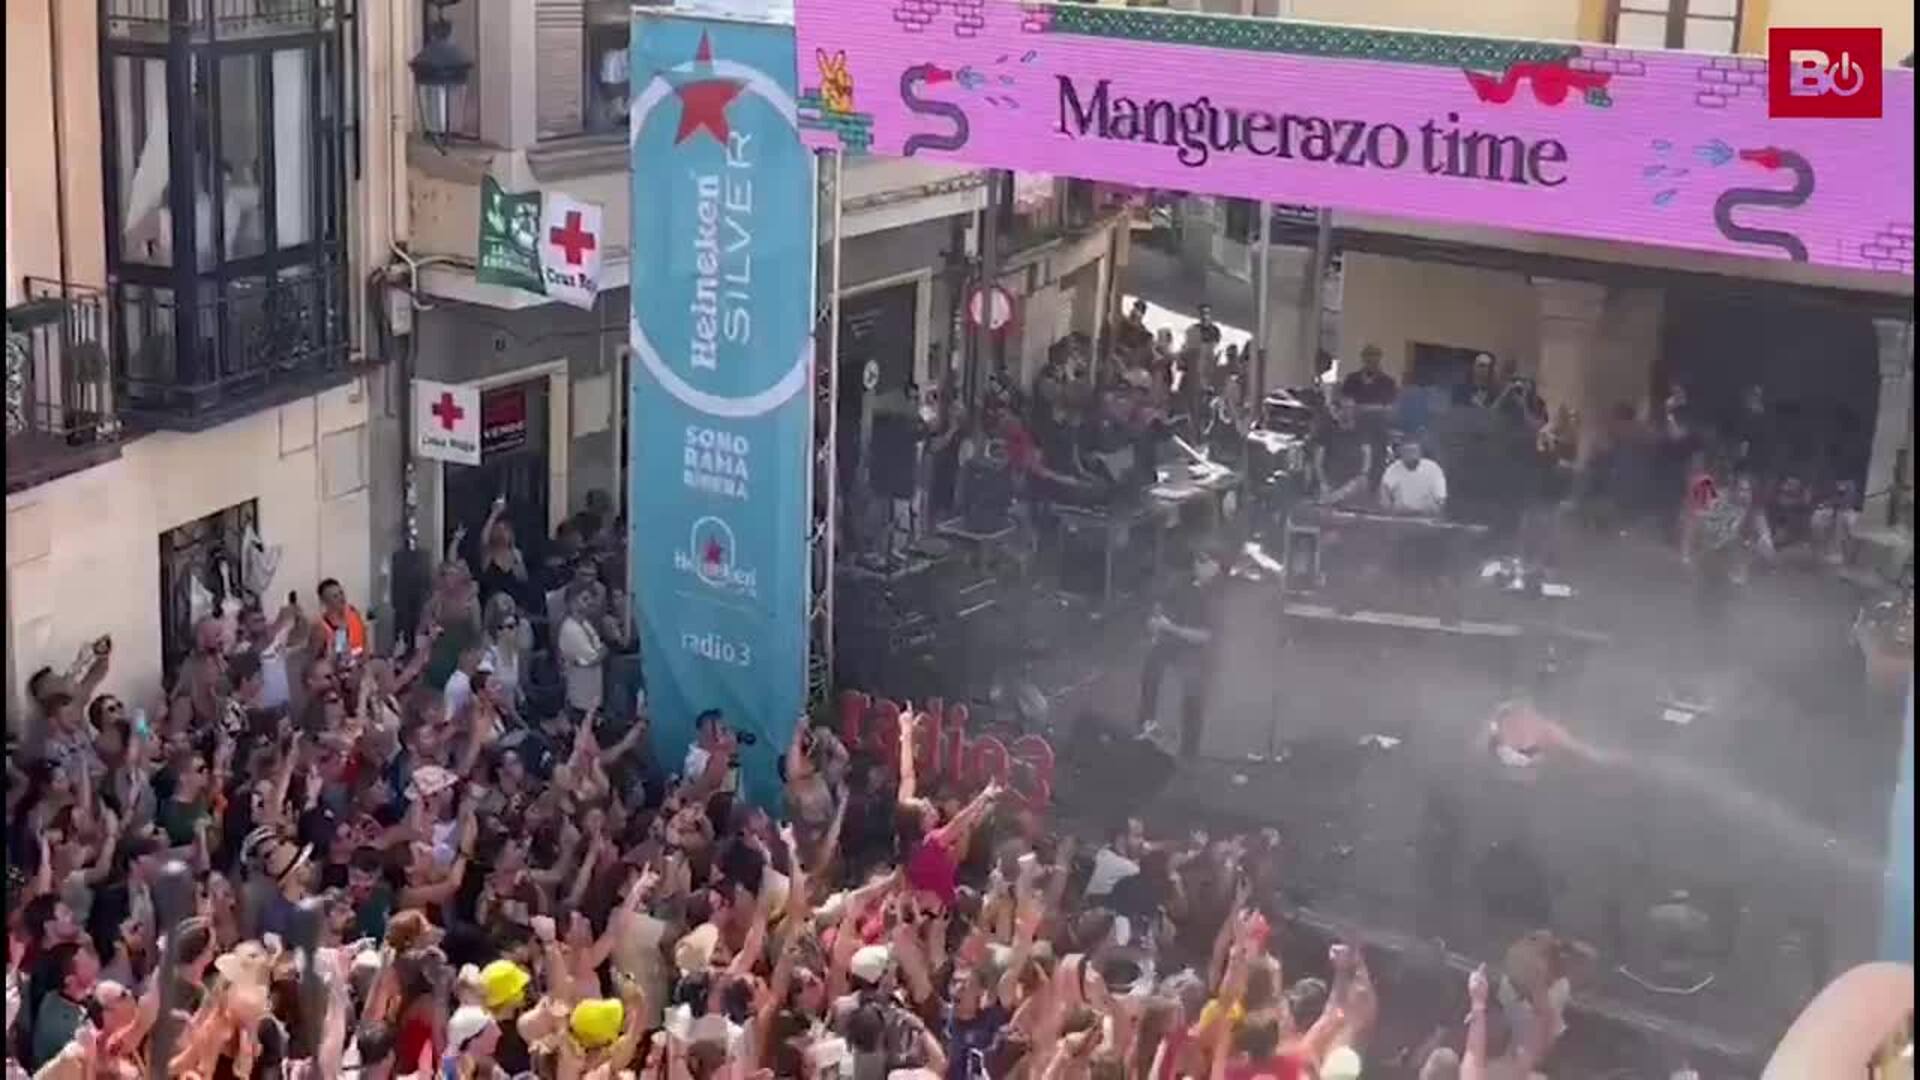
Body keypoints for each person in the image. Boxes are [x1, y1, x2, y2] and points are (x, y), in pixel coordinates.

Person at [1137, 545, 1227, 759]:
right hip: (1172, 639)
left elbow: (1206, 636)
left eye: (1204, 562)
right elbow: (1160, 604)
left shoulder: (1218, 595)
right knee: (1151, 668)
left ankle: (1189, 748)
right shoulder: (1182, 580)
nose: (1198, 565)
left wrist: (1171, 629)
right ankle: (1146, 725)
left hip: (1198, 649)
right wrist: (1155, 620)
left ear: (1216, 566)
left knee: (1192, 683)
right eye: (1197, 560)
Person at [1312, 394, 1373, 506]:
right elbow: (1318, 461)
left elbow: (1367, 457)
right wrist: (1323, 483)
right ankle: (1330, 500)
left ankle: (1329, 500)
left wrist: (1363, 475)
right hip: (1331, 480)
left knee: (1356, 485)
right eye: (1345, 408)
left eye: (1351, 408)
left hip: (1354, 481)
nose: (1348, 412)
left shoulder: (1362, 431)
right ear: (1338, 410)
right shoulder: (1327, 430)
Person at [1379, 437, 1448, 518]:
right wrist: (1388, 508)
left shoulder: (1433, 468)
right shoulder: (1392, 469)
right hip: (1400, 517)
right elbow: (1384, 492)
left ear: (1420, 453)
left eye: (1414, 451)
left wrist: (1436, 512)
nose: (1412, 455)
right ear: (1401, 453)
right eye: (1408, 451)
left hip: (1426, 517)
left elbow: (1441, 499)